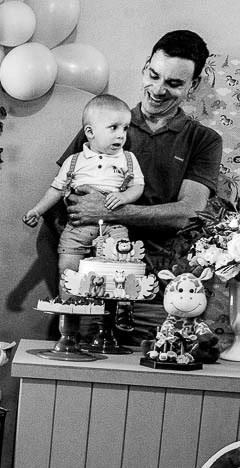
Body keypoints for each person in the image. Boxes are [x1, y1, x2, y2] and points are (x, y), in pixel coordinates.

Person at [58, 30, 223, 339]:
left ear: (193, 85)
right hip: (92, 288)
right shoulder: (103, 124)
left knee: (156, 363)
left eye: (173, 83)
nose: (158, 90)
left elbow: (189, 212)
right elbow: (67, 199)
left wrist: (110, 211)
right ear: (145, 66)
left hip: (159, 293)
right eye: (154, 75)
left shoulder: (203, 140)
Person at [24, 94, 146, 274]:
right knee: (67, 267)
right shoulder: (74, 161)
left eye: (125, 128)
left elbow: (138, 186)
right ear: (90, 132)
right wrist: (37, 210)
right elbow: (56, 189)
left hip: (114, 223)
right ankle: (69, 293)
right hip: (78, 224)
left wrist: (124, 197)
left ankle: (115, 292)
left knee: (119, 265)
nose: (121, 135)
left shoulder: (127, 158)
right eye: (113, 127)